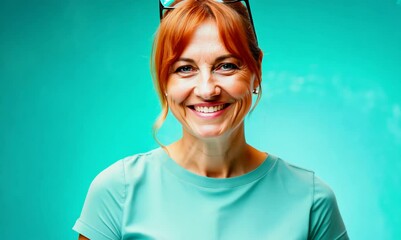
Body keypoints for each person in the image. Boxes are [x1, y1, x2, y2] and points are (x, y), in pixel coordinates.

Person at [73, 0, 349, 239]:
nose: (207, 89)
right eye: (185, 68)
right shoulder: (117, 191)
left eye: (226, 65)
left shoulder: (312, 200)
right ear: (163, 80)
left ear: (257, 70)